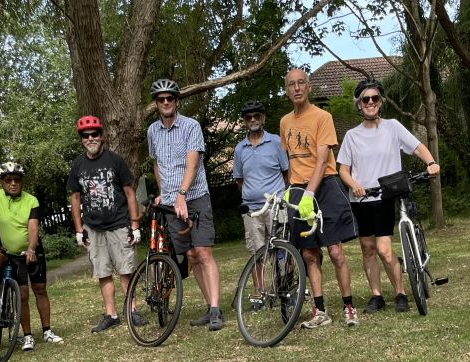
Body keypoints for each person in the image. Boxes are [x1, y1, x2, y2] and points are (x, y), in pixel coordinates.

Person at [337, 79, 441, 313]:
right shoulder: (352, 136)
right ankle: (377, 295)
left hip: (385, 196)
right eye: (365, 99)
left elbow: (417, 146)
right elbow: (343, 169)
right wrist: (354, 184)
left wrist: (431, 162)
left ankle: (400, 293)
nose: (370, 102)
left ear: (380, 102)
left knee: (384, 250)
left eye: (375, 98)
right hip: (361, 199)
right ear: (359, 104)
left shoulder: (393, 127)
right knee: (368, 249)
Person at [280, 68, 359, 328]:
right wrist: (290, 191)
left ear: (309, 87)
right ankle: (320, 311)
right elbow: (289, 161)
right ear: (286, 90)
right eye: (291, 84)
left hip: (324, 186)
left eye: (301, 83)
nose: (297, 88)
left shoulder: (322, 117)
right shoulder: (284, 122)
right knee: (309, 254)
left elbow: (322, 160)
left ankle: (349, 306)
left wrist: (310, 193)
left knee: (335, 251)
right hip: (298, 189)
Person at [147, 78, 223, 331]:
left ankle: (216, 310)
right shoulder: (152, 131)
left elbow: (192, 163)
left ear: (176, 101)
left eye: (170, 98)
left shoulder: (191, 126)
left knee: (203, 252)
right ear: (156, 104)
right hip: (171, 201)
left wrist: (182, 194)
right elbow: (157, 164)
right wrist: (163, 193)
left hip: (195, 197)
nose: (165, 102)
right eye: (161, 99)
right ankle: (209, 306)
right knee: (190, 255)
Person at [67, 115, 144, 333]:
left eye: (94, 134)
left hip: (119, 224)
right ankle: (111, 315)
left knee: (126, 269)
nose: (90, 138)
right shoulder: (78, 165)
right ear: (81, 139)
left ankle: (132, 310)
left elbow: (130, 193)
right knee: (103, 272)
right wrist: (78, 230)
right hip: (93, 227)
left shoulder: (115, 160)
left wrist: (135, 226)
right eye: (86, 136)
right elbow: (75, 198)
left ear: (102, 136)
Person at [0, 162, 63, 350]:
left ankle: (47, 331)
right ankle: (28, 335)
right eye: (8, 180)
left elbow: (33, 227)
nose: (13, 183)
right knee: (22, 294)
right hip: (10, 255)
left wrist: (31, 248)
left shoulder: (31, 200)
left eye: (17, 180)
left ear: (22, 182)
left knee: (40, 289)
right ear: (2, 182)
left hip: (32, 251)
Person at [233, 100, 289, 255]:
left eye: (256, 116)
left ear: (263, 118)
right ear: (244, 121)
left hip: (275, 207)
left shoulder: (276, 142)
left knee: (282, 254)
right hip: (251, 210)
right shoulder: (239, 149)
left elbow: (286, 173)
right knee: (256, 255)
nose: (253, 120)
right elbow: (240, 180)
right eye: (248, 117)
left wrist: (279, 196)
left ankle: (283, 271)